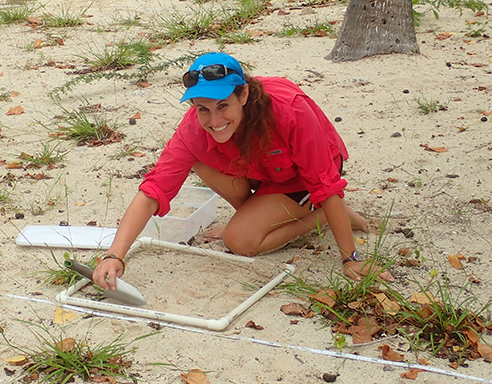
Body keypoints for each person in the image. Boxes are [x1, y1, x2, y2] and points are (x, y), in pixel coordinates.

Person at [92, 52, 394, 291]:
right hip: (260, 172)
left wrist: (350, 258)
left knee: (240, 241)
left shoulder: (289, 109)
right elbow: (152, 191)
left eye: (223, 105)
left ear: (244, 94)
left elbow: (323, 181)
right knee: (196, 160)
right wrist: (114, 256)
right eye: (203, 109)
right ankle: (261, 216)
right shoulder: (193, 129)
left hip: (302, 174)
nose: (214, 120)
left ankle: (325, 215)